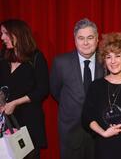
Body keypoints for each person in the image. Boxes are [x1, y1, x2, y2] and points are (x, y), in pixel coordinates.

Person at [81, 32, 121, 159]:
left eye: (117, 56)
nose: (113, 61)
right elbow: (86, 117)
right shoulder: (96, 86)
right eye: (108, 57)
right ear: (103, 60)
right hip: (102, 148)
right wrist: (104, 133)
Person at [50, 18, 104, 159]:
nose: (85, 43)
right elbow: (56, 91)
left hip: (100, 133)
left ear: (97, 39)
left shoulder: (106, 62)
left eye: (90, 38)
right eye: (81, 38)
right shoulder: (60, 63)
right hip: (71, 133)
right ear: (75, 40)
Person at [0, 19, 49, 159]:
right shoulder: (3, 57)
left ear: (18, 34)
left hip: (29, 122)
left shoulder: (36, 58)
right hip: (5, 123)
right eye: (2, 33)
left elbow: (42, 89)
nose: (2, 38)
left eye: (6, 33)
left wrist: (15, 103)